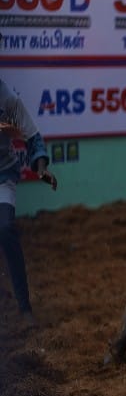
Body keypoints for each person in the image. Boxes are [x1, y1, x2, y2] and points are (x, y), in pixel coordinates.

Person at [0, 78, 57, 325]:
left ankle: (24, 308)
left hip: (2, 175)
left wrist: (41, 168)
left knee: (5, 228)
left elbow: (33, 137)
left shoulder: (7, 98)